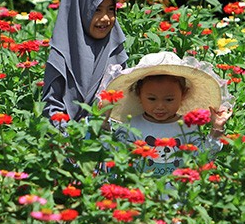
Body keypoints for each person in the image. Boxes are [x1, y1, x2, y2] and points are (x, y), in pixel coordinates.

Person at [99, 51, 233, 177]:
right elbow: (114, 153)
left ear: (183, 95)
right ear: (139, 95)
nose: (160, 106)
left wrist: (216, 130)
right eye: (152, 99)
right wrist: (103, 123)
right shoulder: (132, 125)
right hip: (142, 194)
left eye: (169, 99)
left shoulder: (188, 126)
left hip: (178, 196)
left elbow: (203, 158)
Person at [42, 0, 128, 126]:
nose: (106, 18)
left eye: (110, 9)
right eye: (97, 10)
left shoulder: (115, 50)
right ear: (78, 9)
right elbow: (51, 107)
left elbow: (125, 104)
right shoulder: (61, 55)